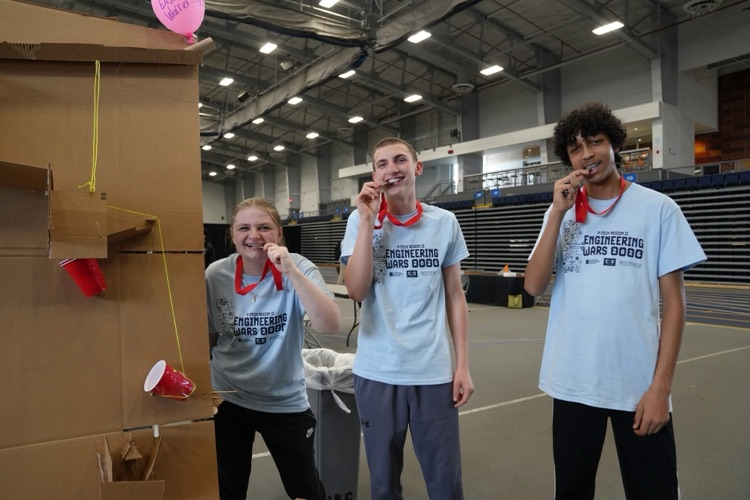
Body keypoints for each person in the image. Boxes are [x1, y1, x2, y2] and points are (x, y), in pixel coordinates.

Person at [524, 102, 706, 499]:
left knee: (654, 491)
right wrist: (557, 213)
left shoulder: (658, 209)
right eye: (575, 149)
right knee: (571, 492)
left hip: (639, 386)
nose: (587, 154)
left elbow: (674, 306)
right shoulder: (561, 212)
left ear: (614, 144)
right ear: (567, 159)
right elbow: (533, 286)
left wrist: (661, 388)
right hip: (573, 383)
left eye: (595, 142)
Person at [341, 137, 474, 499]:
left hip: (432, 372)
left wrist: (462, 365)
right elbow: (355, 290)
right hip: (377, 372)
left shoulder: (444, 222)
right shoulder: (359, 221)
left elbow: (454, 296)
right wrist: (369, 221)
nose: (391, 169)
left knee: (445, 483)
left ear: (417, 167)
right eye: (382, 163)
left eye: (400, 160)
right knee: (383, 485)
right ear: (374, 174)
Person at [205, 197, 341, 500]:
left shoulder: (299, 267)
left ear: (279, 234)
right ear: (232, 234)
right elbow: (210, 337)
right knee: (228, 488)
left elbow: (329, 324)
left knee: (304, 489)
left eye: (264, 227)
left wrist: (291, 271)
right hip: (228, 397)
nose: (254, 236)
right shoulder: (215, 274)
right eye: (244, 228)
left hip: (283, 399)